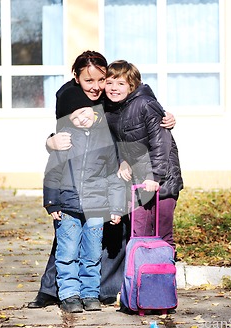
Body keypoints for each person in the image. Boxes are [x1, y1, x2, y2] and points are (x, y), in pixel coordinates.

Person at [28, 50, 177, 309]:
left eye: (102, 80)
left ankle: (113, 289)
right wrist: (49, 141)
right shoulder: (74, 95)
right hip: (93, 181)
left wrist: (165, 121)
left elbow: (151, 121)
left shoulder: (124, 97)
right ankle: (56, 290)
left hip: (134, 178)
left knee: (118, 235)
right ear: (77, 77)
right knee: (70, 235)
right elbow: (66, 136)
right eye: (91, 81)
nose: (98, 87)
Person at [43, 85, 125, 313]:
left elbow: (113, 175)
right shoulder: (65, 139)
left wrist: (117, 206)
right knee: (67, 252)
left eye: (83, 112)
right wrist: (52, 202)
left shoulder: (105, 139)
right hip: (67, 207)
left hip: (96, 209)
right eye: (74, 116)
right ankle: (69, 294)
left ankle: (90, 293)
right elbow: (53, 172)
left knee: (91, 253)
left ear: (94, 109)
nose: (80, 119)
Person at [104, 60, 183, 248]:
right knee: (139, 235)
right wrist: (121, 160)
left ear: (132, 86)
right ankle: (141, 276)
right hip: (137, 182)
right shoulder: (110, 110)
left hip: (162, 180)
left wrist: (155, 176)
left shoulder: (145, 104)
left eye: (121, 83)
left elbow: (160, 142)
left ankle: (165, 277)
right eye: (109, 82)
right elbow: (114, 142)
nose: (114, 88)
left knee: (162, 236)